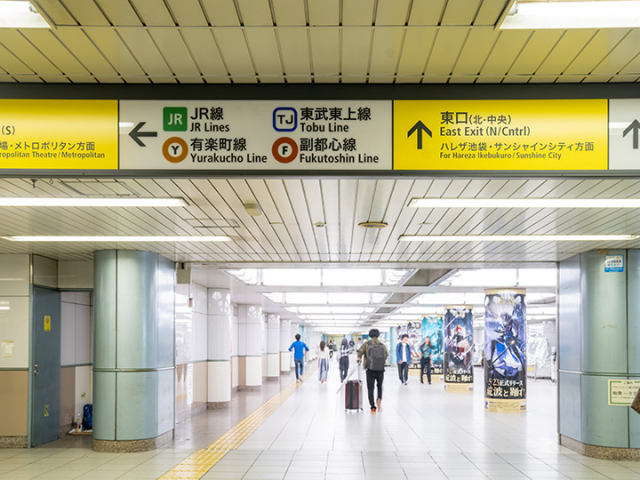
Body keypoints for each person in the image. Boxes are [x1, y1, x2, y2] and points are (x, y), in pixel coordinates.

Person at [357, 328, 389, 414]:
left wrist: (359, 358)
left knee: (370, 388)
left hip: (370, 369)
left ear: (369, 335)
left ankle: (373, 407)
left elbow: (359, 353)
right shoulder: (382, 345)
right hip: (380, 369)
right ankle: (379, 401)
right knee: (380, 386)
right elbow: (386, 355)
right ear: (378, 335)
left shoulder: (366, 344)